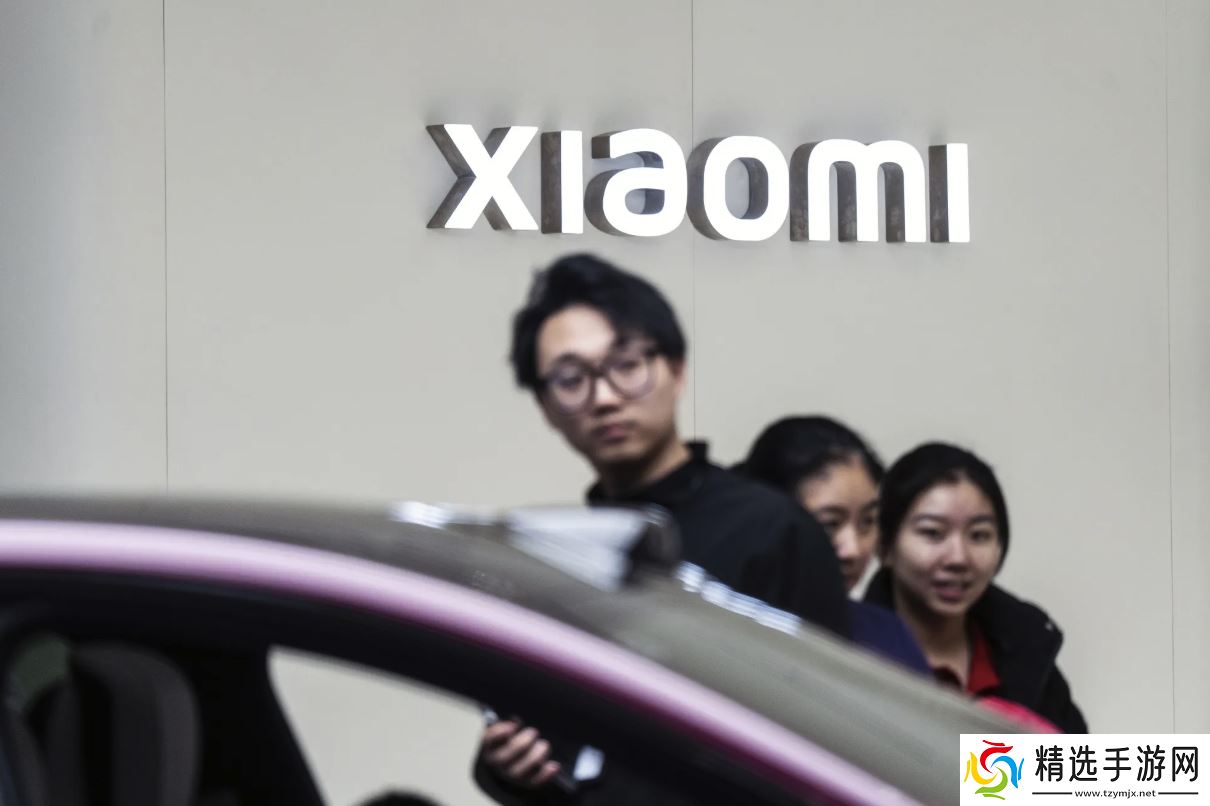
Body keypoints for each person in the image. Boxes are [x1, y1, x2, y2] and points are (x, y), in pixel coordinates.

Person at [475, 253, 850, 803]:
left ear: (676, 369)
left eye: (626, 365)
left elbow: (834, 743)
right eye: (571, 379)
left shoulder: (772, 531)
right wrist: (509, 769)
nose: (604, 397)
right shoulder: (555, 556)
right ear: (545, 406)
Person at [863, 442, 1087, 732]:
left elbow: (1075, 760)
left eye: (979, 535)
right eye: (933, 533)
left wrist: (985, 757)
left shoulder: (1027, 647)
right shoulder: (850, 649)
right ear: (884, 545)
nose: (959, 558)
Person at [737, 416, 929, 674]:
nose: (854, 550)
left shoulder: (890, 636)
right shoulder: (728, 630)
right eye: (830, 524)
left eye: (867, 522)